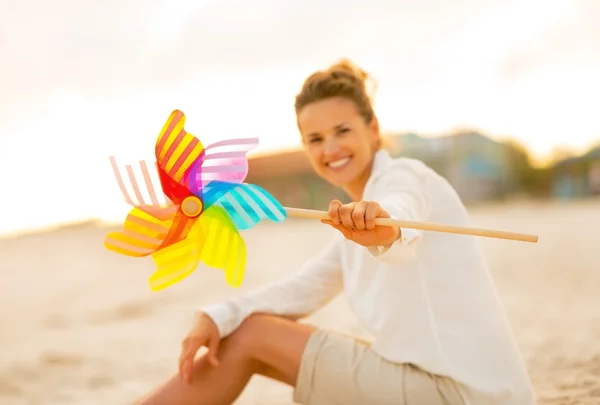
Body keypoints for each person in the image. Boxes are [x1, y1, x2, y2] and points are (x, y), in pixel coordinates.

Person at [134, 59, 536, 405]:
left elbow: (400, 217)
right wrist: (216, 315)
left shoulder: (404, 178)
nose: (330, 148)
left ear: (372, 128)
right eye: (316, 139)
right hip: (449, 386)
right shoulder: (350, 225)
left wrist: (382, 226)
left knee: (251, 335)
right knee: (243, 328)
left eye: (342, 131)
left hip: (460, 394)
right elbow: (302, 289)